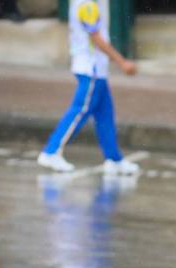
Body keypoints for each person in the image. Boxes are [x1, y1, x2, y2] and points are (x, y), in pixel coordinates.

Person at [37, 0, 140, 176]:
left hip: (97, 70)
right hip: (90, 70)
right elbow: (97, 39)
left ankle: (114, 159)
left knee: (105, 115)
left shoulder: (88, 4)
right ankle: (51, 151)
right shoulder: (87, 6)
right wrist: (122, 62)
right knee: (79, 111)